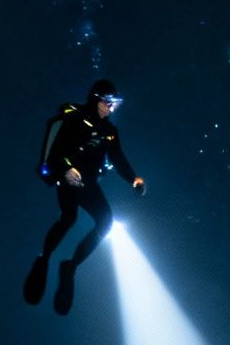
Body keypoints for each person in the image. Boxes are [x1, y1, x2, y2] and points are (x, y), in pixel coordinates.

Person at [23, 79, 146, 315]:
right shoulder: (74, 119)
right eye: (108, 103)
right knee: (69, 218)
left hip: (87, 182)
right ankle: (44, 259)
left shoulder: (110, 132)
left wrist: (133, 179)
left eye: (115, 104)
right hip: (67, 177)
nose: (112, 108)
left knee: (105, 221)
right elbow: (56, 151)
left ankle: (70, 267)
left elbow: (118, 157)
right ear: (97, 100)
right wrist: (67, 169)